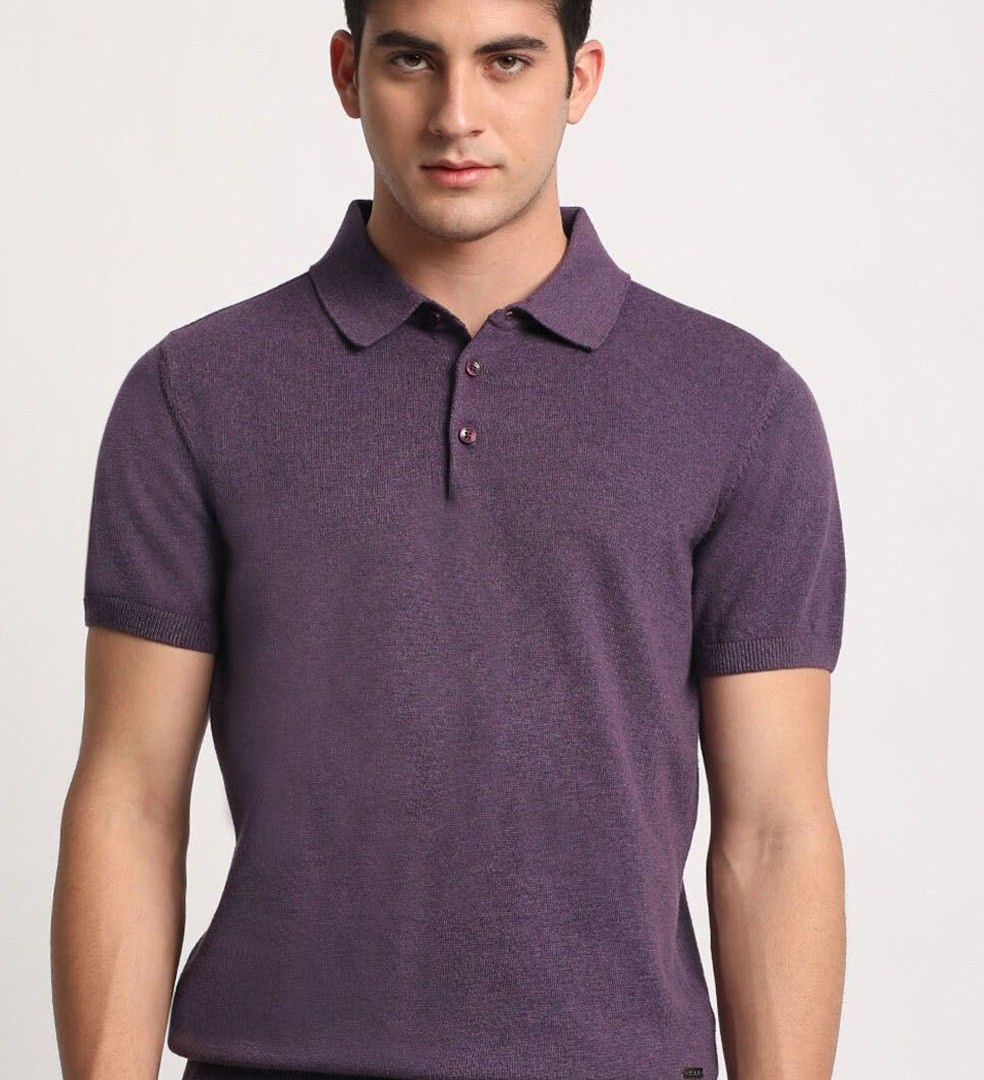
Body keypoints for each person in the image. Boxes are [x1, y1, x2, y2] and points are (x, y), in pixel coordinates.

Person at [51, 2, 848, 1079]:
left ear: (580, 79)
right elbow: (131, 799)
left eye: (507, 61)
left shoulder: (738, 404)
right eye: (412, 60)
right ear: (348, 72)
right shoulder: (195, 392)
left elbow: (776, 831)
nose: (455, 113)